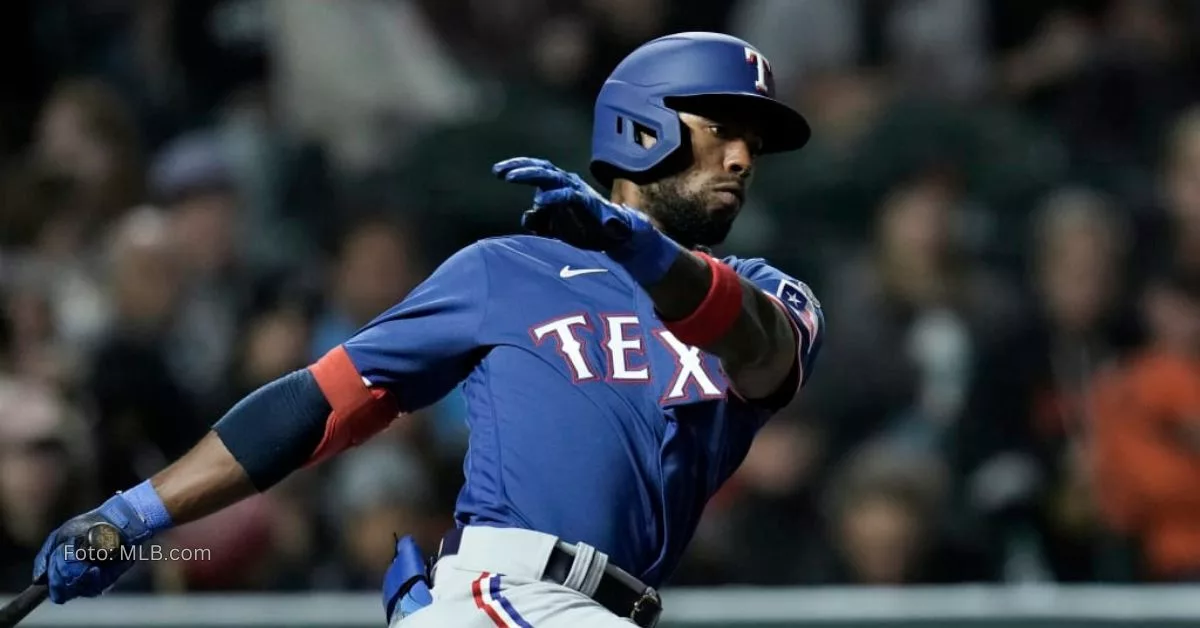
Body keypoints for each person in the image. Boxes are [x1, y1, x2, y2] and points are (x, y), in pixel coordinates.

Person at [31, 32, 824, 628]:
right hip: (511, 595)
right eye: (722, 126)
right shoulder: (505, 271)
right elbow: (320, 403)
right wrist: (134, 514)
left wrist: (643, 251)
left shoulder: (766, 293)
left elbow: (759, 347)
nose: (744, 157)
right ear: (643, 127)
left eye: (755, 141)